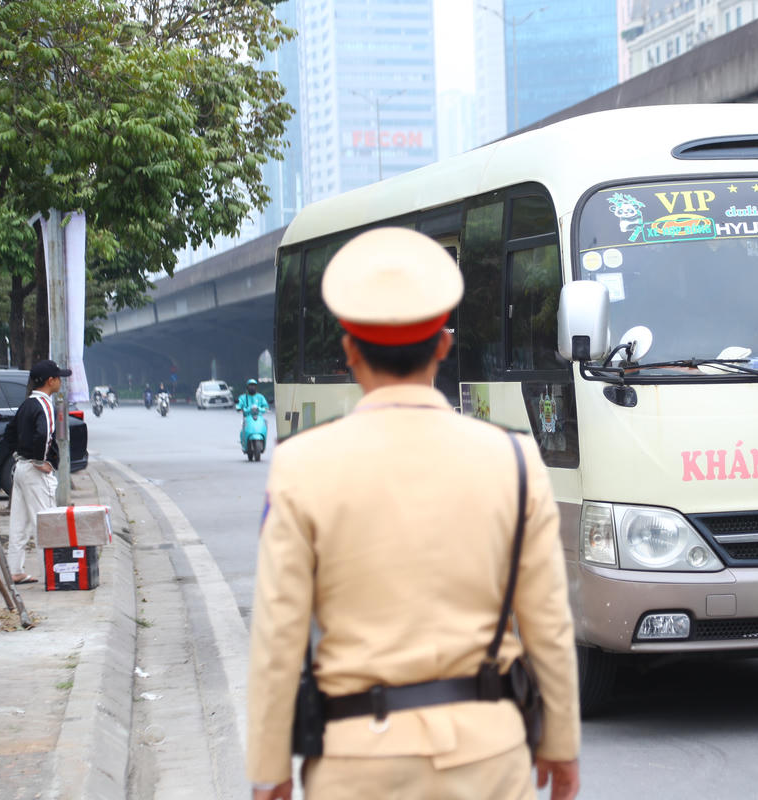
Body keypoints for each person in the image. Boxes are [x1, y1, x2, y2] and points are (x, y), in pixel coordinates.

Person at [246, 228, 581, 800]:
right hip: (488, 758)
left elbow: (279, 634)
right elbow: (548, 623)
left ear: (349, 351)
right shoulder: (516, 461)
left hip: (356, 762)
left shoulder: (300, 465)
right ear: (444, 346)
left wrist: (270, 764)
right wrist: (561, 743)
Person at [3, 359, 71, 584]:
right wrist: (41, 460)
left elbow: (10, 434)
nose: (61, 381)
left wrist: (17, 457)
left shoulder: (26, 405)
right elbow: (44, 435)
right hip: (34, 472)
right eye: (59, 377)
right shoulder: (44, 405)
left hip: (20, 468)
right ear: (50, 381)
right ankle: (54, 573)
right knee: (46, 521)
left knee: (19, 523)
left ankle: (15, 570)